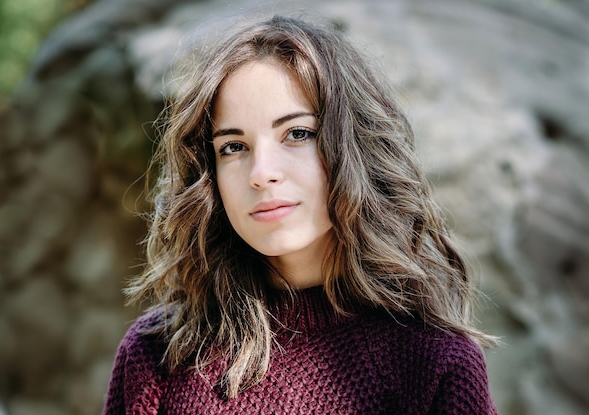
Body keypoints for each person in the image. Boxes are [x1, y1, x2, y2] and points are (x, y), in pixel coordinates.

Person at [103, 15, 499, 415]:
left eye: (297, 134)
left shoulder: (435, 364)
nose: (261, 174)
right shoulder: (158, 355)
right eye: (233, 147)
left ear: (354, 148)